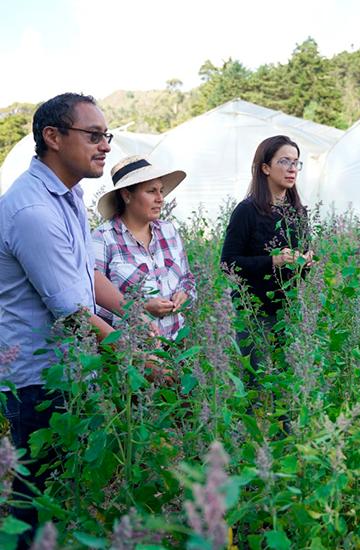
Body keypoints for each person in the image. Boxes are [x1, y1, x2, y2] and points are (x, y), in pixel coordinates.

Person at [0, 93, 161, 548]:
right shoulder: (32, 210)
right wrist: (134, 358)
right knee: (37, 499)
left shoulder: (67, 194)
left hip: (69, 368)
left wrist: (133, 310)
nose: (105, 145)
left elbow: (83, 273)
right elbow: (71, 313)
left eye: (104, 135)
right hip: (38, 378)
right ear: (53, 137)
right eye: (93, 135)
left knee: (62, 491)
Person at [221, 135, 312, 373]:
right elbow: (228, 263)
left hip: (290, 313)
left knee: (288, 384)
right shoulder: (247, 211)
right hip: (255, 314)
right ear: (265, 168)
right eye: (284, 161)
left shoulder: (298, 213)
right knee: (258, 382)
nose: (292, 169)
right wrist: (273, 261)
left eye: (296, 162)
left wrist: (306, 261)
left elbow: (303, 262)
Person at [92, 155, 197, 339]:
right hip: (131, 354)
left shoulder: (168, 231)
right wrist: (140, 310)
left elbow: (187, 278)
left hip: (177, 344)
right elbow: (92, 305)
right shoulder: (103, 239)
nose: (160, 199)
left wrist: (184, 293)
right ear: (126, 195)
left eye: (161, 191)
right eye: (151, 191)